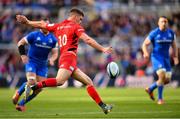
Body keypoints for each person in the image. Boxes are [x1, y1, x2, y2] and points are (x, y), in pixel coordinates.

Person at [16, 8, 113, 114]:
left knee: (89, 82)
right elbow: (88, 40)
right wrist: (103, 48)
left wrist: (28, 22)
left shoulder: (58, 25)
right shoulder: (76, 26)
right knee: (60, 81)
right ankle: (33, 86)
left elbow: (42, 25)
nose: (80, 22)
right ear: (75, 17)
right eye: (80, 19)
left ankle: (103, 106)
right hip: (69, 58)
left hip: (65, 57)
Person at [12, 27, 58, 111]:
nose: (45, 26)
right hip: (31, 62)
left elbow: (55, 53)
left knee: (39, 88)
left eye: (47, 25)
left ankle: (21, 103)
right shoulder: (34, 35)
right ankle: (18, 93)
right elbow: (20, 43)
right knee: (32, 81)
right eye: (43, 24)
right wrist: (23, 55)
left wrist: (52, 59)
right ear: (40, 25)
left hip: (43, 65)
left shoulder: (53, 39)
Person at [142, 16, 179, 104]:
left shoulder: (171, 33)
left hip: (166, 59)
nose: (164, 23)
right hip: (157, 58)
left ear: (167, 23)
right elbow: (144, 44)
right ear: (158, 23)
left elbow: (174, 45)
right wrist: (145, 53)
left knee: (167, 80)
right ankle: (160, 99)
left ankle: (150, 89)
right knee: (162, 76)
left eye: (165, 22)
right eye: (162, 22)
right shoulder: (154, 33)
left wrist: (176, 57)